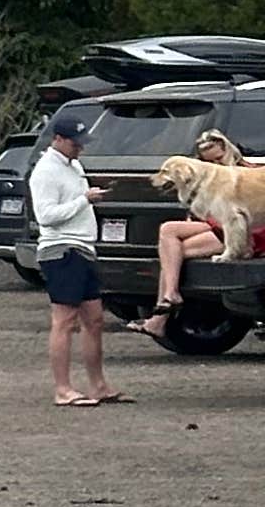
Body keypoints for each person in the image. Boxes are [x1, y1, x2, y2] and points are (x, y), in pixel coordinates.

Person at [27, 114, 120, 407]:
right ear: (58, 139)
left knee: (94, 319)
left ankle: (99, 385)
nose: (80, 148)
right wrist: (85, 200)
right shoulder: (45, 172)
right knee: (65, 320)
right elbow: (46, 216)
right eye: (75, 143)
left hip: (83, 248)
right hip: (61, 250)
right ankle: (63, 389)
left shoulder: (74, 165)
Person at [141, 125, 243, 342]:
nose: (215, 165)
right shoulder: (208, 178)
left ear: (229, 150)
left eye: (219, 158)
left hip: (238, 232)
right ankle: (169, 297)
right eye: (209, 161)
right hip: (217, 226)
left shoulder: (243, 173)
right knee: (168, 234)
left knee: (172, 255)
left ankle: (162, 313)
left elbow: (234, 217)